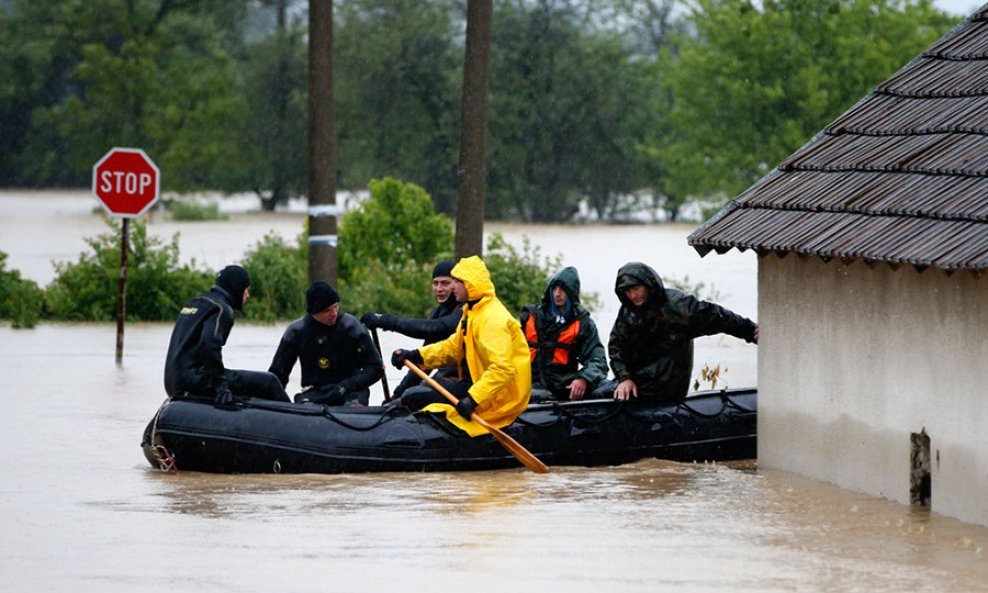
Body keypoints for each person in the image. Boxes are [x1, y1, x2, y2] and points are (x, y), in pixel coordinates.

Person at [390, 256, 531, 437]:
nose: (452, 287)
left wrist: (473, 399)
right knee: (418, 392)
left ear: (470, 284)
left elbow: (502, 369)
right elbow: (451, 348)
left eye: (457, 281)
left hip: (499, 396)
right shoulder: (471, 312)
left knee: (416, 396)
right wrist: (416, 355)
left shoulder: (492, 319)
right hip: (480, 386)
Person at [608, 261, 759, 402]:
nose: (633, 296)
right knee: (597, 392)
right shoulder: (629, 311)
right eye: (627, 291)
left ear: (648, 284)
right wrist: (624, 378)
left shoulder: (677, 305)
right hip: (640, 378)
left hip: (666, 384)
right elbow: (616, 345)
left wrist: (751, 331)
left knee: (603, 394)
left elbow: (717, 317)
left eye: (636, 288)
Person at [164, 264, 289, 405]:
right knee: (269, 381)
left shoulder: (194, 303)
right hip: (195, 381)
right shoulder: (222, 309)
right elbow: (209, 345)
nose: (248, 295)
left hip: (172, 382)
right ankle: (299, 419)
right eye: (246, 290)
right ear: (237, 288)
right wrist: (221, 387)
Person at [269, 281, 383, 406]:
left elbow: (375, 368)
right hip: (316, 392)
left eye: (336, 306)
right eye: (327, 310)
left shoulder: (352, 327)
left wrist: (344, 387)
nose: (334, 313)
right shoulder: (296, 331)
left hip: (351, 391)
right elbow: (277, 377)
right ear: (313, 312)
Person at [360, 260, 462, 399]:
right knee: (405, 398)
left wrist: (385, 320)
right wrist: (396, 396)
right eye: (435, 283)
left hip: (467, 384)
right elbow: (423, 364)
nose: (439, 288)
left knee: (414, 396)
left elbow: (433, 329)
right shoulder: (438, 313)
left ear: (457, 284)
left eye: (445, 283)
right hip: (446, 379)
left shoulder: (466, 311)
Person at [519, 266, 609, 402]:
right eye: (554, 289)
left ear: (571, 292)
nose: (557, 294)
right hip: (533, 384)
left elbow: (597, 359)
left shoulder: (583, 323)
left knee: (607, 387)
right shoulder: (531, 317)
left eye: (562, 289)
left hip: (565, 384)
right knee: (540, 395)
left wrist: (583, 378)